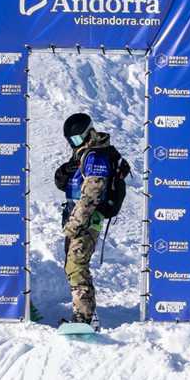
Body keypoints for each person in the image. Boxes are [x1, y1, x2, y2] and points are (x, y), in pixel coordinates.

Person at [52, 111, 122, 326]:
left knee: (77, 266)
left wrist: (76, 223)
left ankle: (84, 319)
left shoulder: (95, 156)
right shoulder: (83, 155)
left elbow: (93, 192)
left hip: (86, 220)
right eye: (71, 141)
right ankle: (84, 316)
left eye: (76, 139)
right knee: (74, 266)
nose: (75, 144)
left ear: (87, 133)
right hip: (78, 218)